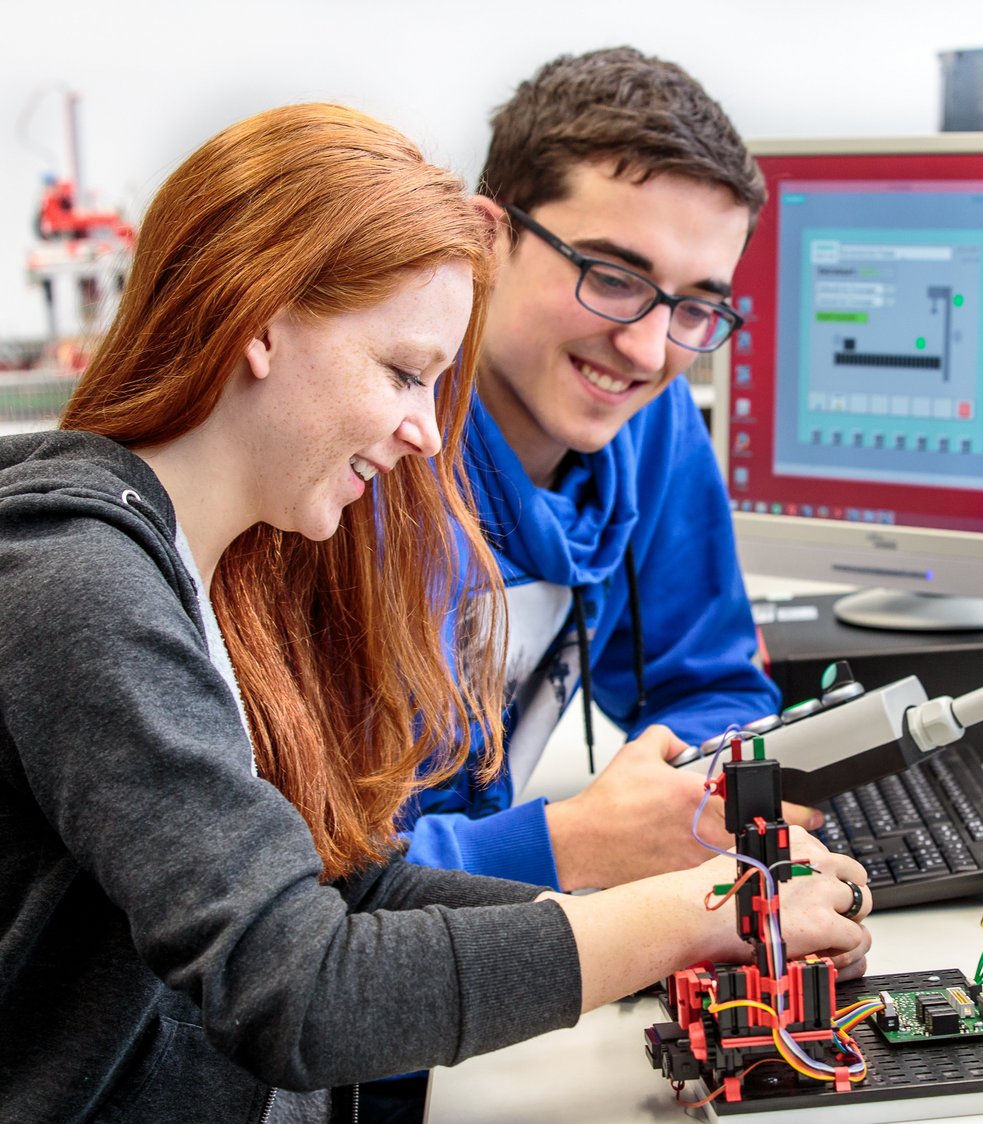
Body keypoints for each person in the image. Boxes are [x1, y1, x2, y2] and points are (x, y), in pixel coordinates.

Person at [0, 103, 872, 1123]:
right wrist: (681, 910)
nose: (427, 430)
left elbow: (343, 887)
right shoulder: (79, 585)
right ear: (260, 323)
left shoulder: (213, 561)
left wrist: (699, 915)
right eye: (405, 372)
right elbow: (301, 987)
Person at [403, 47, 812, 895]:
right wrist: (572, 843)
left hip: (480, 935)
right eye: (612, 276)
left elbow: (711, 685)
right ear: (488, 238)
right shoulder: (370, 454)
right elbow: (284, 891)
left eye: (695, 304)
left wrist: (691, 799)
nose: (648, 349)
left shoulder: (648, 426)